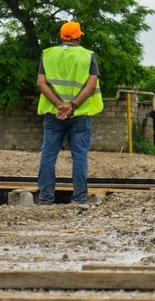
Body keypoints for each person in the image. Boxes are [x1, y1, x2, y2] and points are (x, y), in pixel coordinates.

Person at [36, 21, 104, 205]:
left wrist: (59, 105)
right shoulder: (88, 56)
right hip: (79, 115)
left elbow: (41, 83)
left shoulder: (48, 54)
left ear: (62, 36)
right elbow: (91, 85)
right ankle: (79, 199)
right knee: (79, 157)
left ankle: (46, 200)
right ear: (78, 37)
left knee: (48, 155)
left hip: (53, 114)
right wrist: (72, 106)